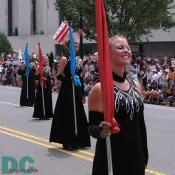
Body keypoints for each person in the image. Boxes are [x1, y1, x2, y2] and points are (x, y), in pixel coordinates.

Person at [88, 35, 148, 175]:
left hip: (136, 158)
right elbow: (91, 127)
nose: (126, 50)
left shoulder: (136, 85)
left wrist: (144, 154)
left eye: (127, 47)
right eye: (120, 48)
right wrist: (100, 131)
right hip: (111, 159)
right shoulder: (100, 88)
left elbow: (140, 124)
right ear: (108, 54)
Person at [49, 40, 91, 151]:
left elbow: (81, 78)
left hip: (76, 89)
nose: (76, 45)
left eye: (77, 44)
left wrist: (82, 93)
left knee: (78, 114)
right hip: (67, 90)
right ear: (68, 46)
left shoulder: (79, 60)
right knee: (68, 114)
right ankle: (68, 141)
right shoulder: (64, 59)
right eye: (74, 43)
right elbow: (58, 75)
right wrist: (68, 79)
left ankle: (80, 140)